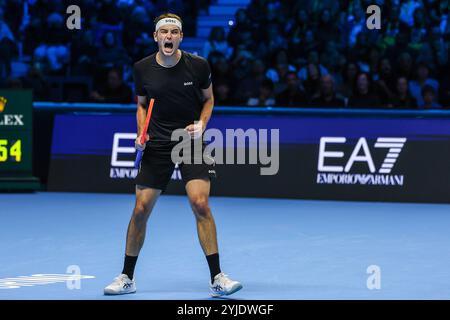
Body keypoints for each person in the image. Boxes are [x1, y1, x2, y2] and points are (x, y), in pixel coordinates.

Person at [104, 13, 242, 297]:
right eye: (163, 32)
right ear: (156, 37)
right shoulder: (142, 68)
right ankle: (127, 277)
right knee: (140, 210)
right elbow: (141, 105)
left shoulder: (198, 66)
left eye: (174, 32)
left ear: (180, 37)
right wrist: (142, 131)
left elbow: (209, 99)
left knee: (200, 203)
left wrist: (202, 124)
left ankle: (217, 277)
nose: (168, 36)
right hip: (157, 145)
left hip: (190, 141)